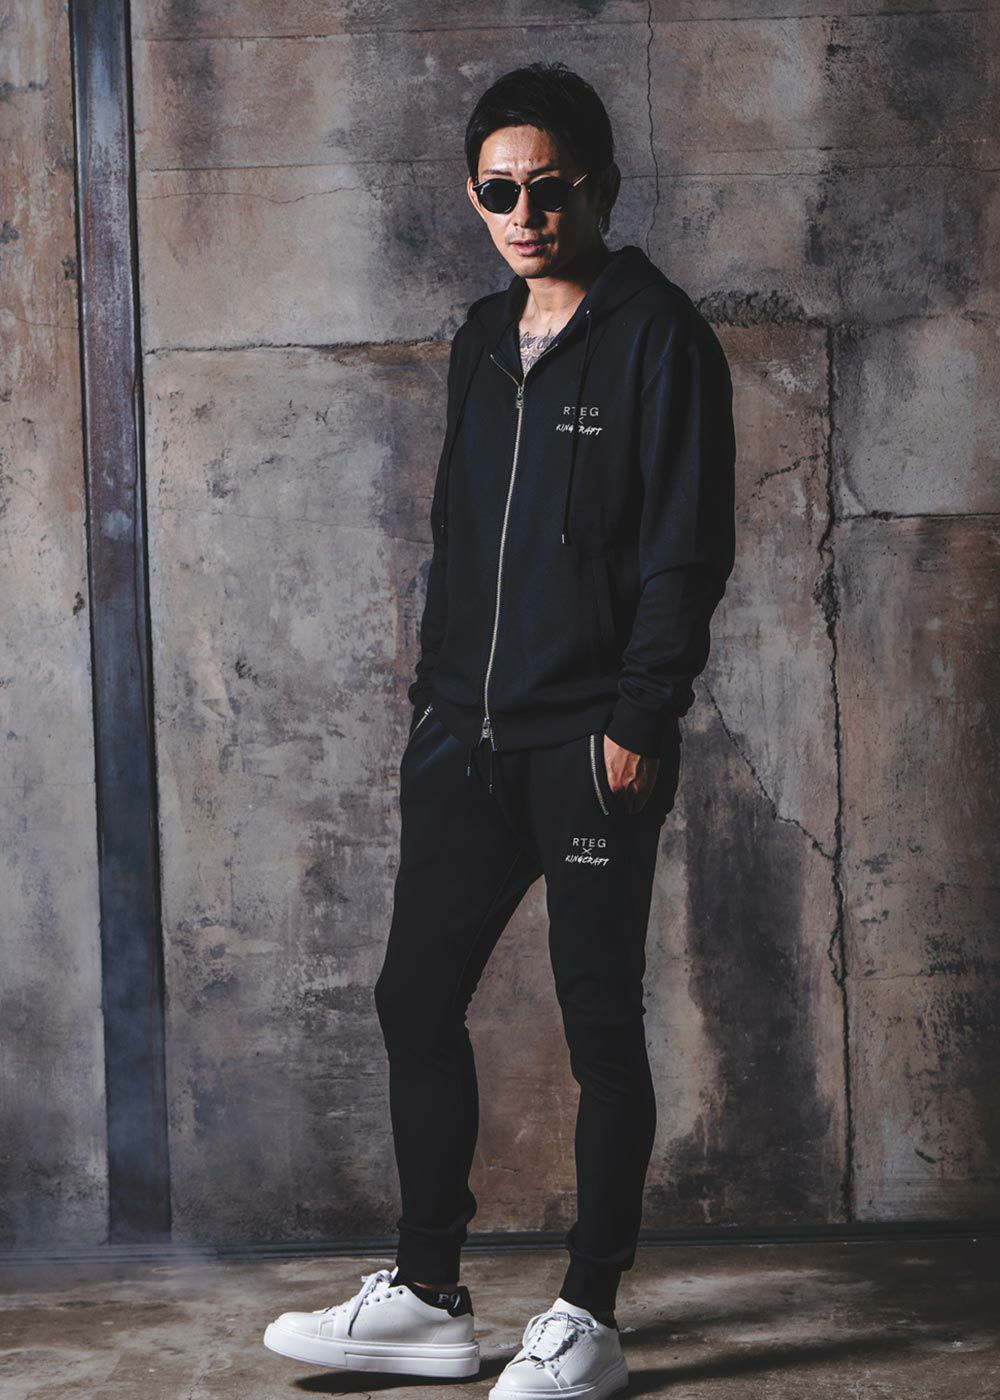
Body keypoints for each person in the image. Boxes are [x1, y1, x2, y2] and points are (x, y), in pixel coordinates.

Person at [263, 60, 736, 1398]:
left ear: (601, 187)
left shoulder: (660, 338)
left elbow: (686, 549)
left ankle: (588, 1315)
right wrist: (435, 698)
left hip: (590, 745)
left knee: (599, 1027)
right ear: (475, 198)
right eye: (498, 191)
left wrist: (641, 713)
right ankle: (426, 1296)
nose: (524, 214)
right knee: (414, 997)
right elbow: (458, 533)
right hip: (462, 741)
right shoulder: (482, 337)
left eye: (548, 187)